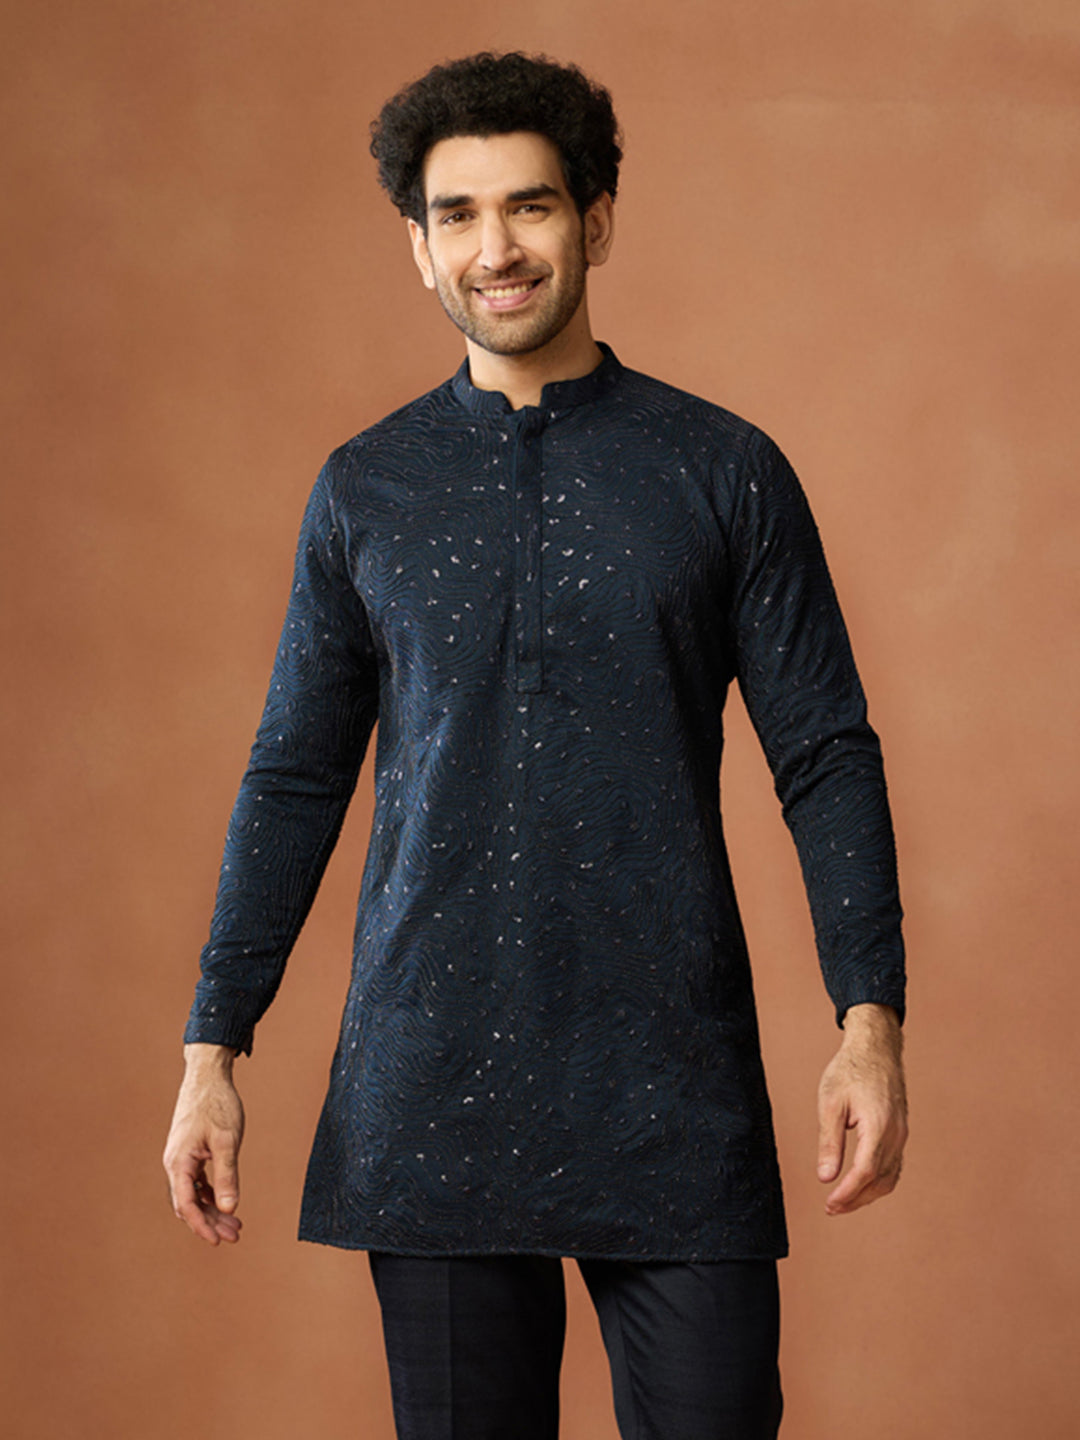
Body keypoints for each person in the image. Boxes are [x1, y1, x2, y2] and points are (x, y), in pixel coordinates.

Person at [164, 51, 908, 1440]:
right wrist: (215, 1046)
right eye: (457, 214)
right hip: (428, 1087)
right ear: (418, 245)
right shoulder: (366, 488)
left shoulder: (722, 469)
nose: (495, 249)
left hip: (672, 1085)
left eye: (532, 206)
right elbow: (295, 775)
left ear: (597, 222)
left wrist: (870, 1025)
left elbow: (824, 754)